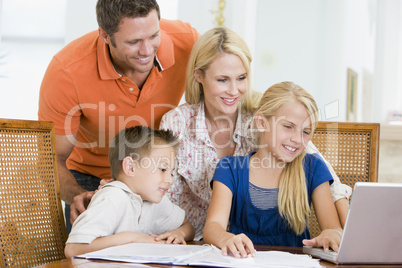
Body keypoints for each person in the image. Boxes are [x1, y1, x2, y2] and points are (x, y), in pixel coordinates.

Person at [160, 27, 351, 240]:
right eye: (223, 80)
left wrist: (346, 231)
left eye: (241, 78)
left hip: (253, 237)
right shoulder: (177, 122)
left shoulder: (262, 114)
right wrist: (179, 232)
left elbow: (312, 159)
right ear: (199, 76)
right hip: (199, 236)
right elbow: (167, 193)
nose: (234, 90)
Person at [38, 0, 200, 233]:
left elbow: (226, 77)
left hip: (155, 176)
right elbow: (51, 158)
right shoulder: (66, 72)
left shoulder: (188, 41)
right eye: (133, 42)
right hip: (90, 179)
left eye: (154, 36)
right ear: (105, 35)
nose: (146, 50)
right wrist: (80, 196)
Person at [203, 81, 343, 258]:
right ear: (262, 122)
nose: (298, 139)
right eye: (288, 127)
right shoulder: (230, 169)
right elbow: (213, 226)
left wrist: (331, 234)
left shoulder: (312, 168)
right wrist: (224, 238)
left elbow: (332, 227)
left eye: (305, 132)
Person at [64, 126, 195, 258]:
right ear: (130, 167)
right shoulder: (111, 198)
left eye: (171, 173)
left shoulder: (152, 199)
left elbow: (188, 227)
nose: (170, 180)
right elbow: (73, 249)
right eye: (162, 169)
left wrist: (179, 233)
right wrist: (132, 239)